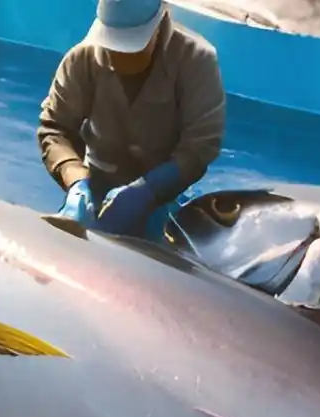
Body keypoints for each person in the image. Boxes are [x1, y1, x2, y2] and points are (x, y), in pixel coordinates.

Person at [40, 0, 226, 238]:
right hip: (94, 189)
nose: (119, 56)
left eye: (132, 47)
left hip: (164, 197)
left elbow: (200, 146)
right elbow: (55, 128)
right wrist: (75, 181)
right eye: (112, 45)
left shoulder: (197, 60)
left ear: (159, 26)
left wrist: (148, 191)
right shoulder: (81, 59)